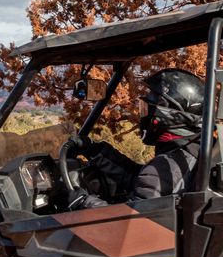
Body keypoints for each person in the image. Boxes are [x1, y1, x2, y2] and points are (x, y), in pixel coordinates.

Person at [71, 68, 206, 205]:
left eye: (145, 108)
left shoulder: (166, 167)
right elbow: (140, 180)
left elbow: (131, 223)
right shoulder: (191, 151)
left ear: (163, 116)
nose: (142, 115)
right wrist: (96, 151)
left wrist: (83, 203)